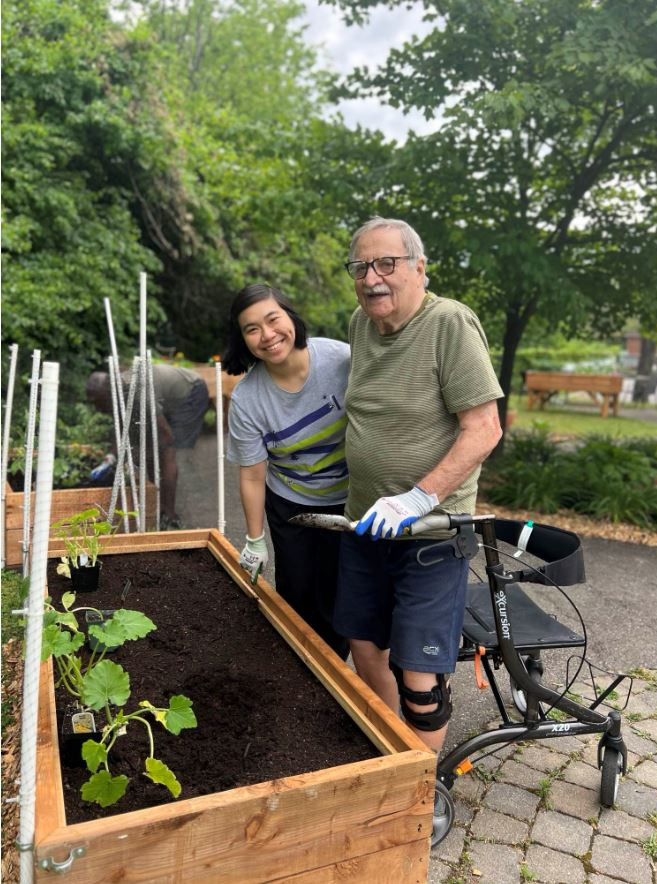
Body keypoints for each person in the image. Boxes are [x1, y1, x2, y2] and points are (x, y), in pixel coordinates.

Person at [332, 217, 503, 754]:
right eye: (361, 267)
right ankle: (395, 755)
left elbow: (485, 429)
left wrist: (418, 496)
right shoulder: (361, 325)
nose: (372, 278)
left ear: (420, 268)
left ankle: (419, 797)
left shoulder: (450, 323)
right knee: (363, 644)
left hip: (431, 532)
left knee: (420, 675)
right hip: (364, 525)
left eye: (387, 263)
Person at [223, 283, 350, 660]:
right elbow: (251, 475)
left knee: (342, 596)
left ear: (290, 317)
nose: (267, 335)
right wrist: (254, 538)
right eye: (252, 329)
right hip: (292, 505)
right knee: (297, 596)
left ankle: (338, 676)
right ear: (243, 340)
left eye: (272, 319)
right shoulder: (248, 399)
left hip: (351, 501)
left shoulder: (341, 360)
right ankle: (303, 669)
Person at [86, 363, 209, 529]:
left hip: (191, 392)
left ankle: (169, 515)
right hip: (167, 398)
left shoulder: (136, 389)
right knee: (152, 450)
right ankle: (157, 505)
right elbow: (122, 426)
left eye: (96, 401)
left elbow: (166, 434)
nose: (96, 407)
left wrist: (149, 450)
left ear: (106, 393)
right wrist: (110, 457)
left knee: (168, 452)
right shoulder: (119, 391)